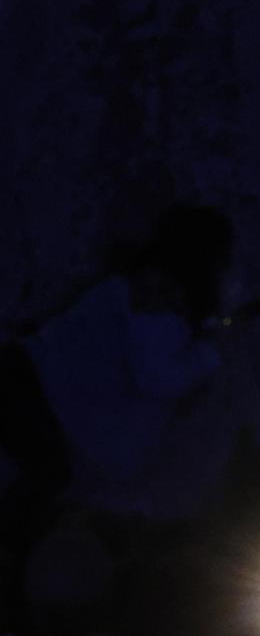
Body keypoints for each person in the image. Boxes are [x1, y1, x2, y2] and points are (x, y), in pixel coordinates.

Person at [0, 204, 235, 513]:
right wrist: (209, 351)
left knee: (43, 480)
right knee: (38, 488)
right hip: (32, 396)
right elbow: (157, 377)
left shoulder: (139, 285)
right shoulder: (157, 296)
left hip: (27, 385)